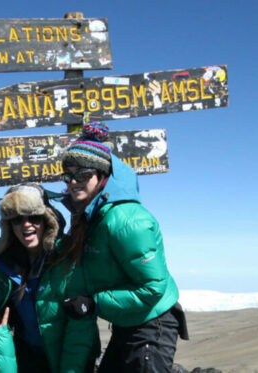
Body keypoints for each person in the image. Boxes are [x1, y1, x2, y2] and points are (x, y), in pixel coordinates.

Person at [58, 122, 188, 373]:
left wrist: (93, 303)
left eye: (83, 174)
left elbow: (152, 288)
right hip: (128, 321)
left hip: (151, 323)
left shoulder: (127, 221)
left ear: (103, 177)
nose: (74, 181)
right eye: (69, 175)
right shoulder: (94, 217)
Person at [0, 183, 99, 373]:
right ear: (10, 224)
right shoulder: (1, 253)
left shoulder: (66, 254)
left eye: (34, 217)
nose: (26, 224)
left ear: (46, 220)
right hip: (27, 354)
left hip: (70, 356)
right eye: (17, 219)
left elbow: (80, 326)